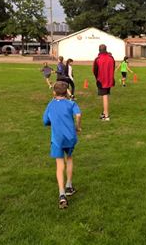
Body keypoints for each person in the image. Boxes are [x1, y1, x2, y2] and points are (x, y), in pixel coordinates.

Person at [43, 81, 82, 209]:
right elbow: (78, 114)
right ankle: (69, 186)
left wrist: (52, 121)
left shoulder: (51, 105)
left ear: (54, 92)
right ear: (67, 92)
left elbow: (45, 121)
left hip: (57, 139)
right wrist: (77, 126)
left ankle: (62, 194)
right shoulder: (71, 103)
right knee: (69, 159)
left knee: (60, 164)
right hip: (70, 137)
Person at [93, 44, 115, 121]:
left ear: (99, 50)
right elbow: (113, 68)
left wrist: (97, 78)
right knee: (106, 96)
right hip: (109, 80)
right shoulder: (111, 58)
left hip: (102, 80)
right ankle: (104, 112)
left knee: (104, 96)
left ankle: (106, 116)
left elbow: (94, 71)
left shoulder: (97, 59)